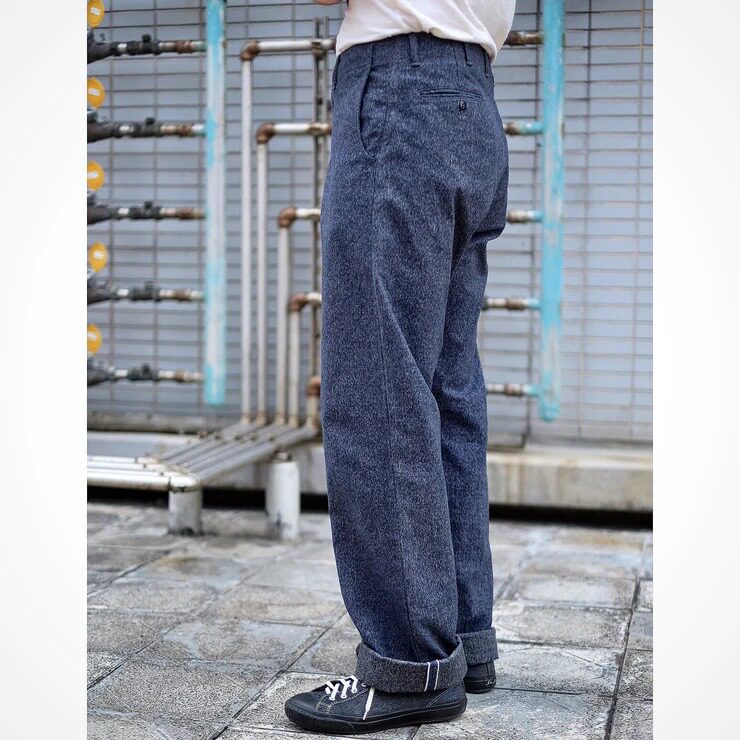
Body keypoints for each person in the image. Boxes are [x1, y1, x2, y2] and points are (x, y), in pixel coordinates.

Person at [285, 0, 515, 734]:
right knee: (444, 391)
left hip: (399, 94)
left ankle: (411, 665)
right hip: (471, 98)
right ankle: (464, 639)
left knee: (379, 389)